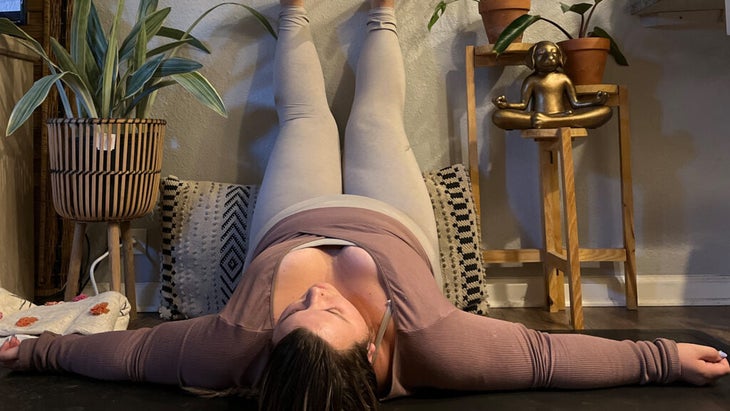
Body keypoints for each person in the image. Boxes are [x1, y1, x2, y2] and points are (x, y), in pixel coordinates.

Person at [2, 1, 729, 410]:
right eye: (336, 309)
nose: (317, 287)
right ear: (379, 348)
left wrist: (34, 350)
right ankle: (380, 15)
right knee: (375, 119)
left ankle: (290, 17)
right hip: (395, 223)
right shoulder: (436, 341)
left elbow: (131, 355)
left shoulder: (233, 342)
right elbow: (544, 356)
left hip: (295, 210)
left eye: (297, 308)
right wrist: (660, 356)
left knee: (308, 118)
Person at [492, 40, 613, 130]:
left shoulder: (563, 78)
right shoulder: (532, 80)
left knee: (605, 111)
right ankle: (561, 121)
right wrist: (506, 105)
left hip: (559, 115)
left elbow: (575, 103)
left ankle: (551, 121)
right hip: (538, 116)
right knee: (499, 115)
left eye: (554, 53)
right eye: (541, 54)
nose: (549, 57)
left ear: (561, 58)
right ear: (532, 60)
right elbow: (523, 105)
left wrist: (595, 102)